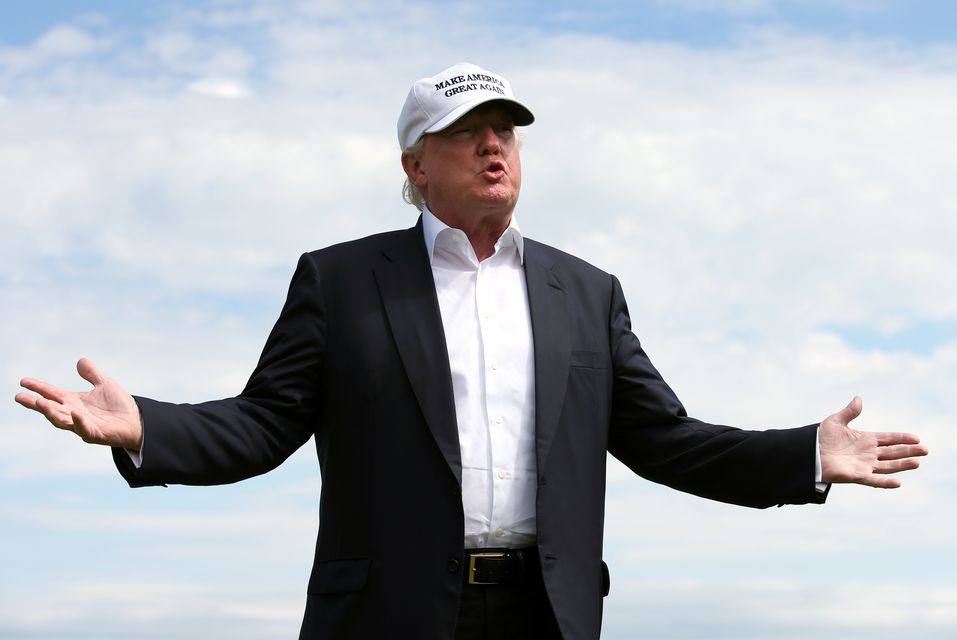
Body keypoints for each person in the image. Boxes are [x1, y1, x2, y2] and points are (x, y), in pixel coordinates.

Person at [15, 62, 928, 640]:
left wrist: (804, 453)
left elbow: (664, 439)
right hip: (388, 614)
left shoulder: (585, 291)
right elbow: (263, 426)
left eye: (505, 130)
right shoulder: (340, 281)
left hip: (547, 612)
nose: (492, 144)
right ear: (414, 165)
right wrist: (146, 430)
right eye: (464, 132)